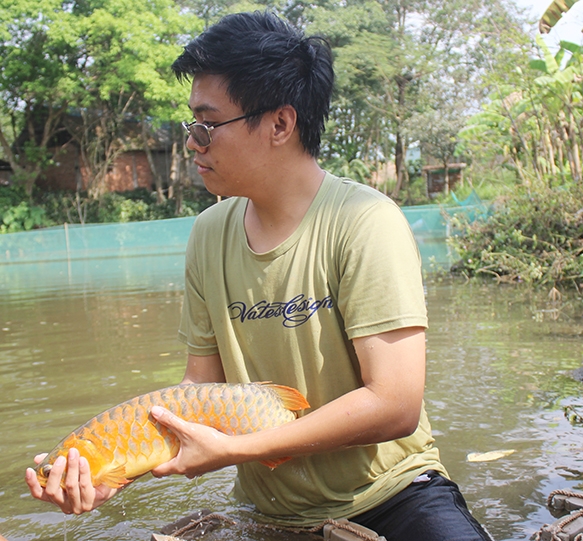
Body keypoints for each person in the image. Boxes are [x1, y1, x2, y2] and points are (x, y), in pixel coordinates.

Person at [26, 11, 492, 541]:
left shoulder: (365, 221)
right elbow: (198, 388)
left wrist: (235, 451)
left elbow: (395, 404)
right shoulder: (208, 234)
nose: (192, 143)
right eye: (190, 126)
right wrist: (114, 466)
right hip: (267, 512)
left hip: (393, 496)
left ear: (279, 124)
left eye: (207, 124)